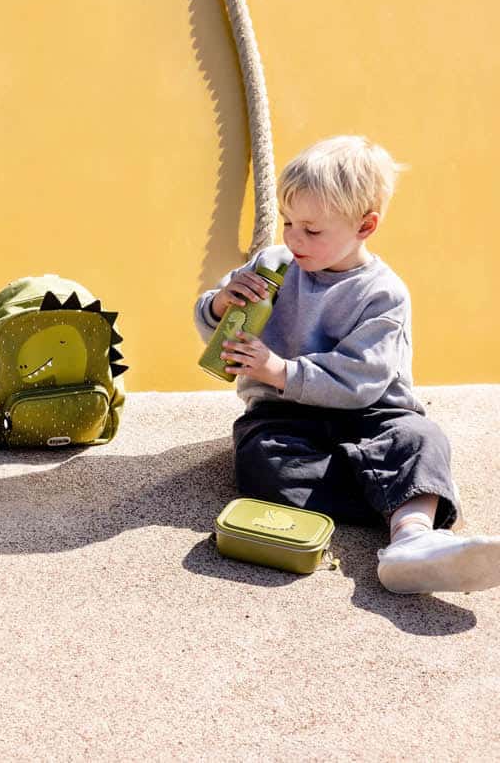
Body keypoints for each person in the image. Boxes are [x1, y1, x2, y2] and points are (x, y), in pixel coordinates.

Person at [196, 135, 500, 594]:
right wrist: (221, 303)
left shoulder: (383, 294)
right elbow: (215, 324)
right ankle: (402, 500)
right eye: (288, 222)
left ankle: (413, 540)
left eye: (312, 230)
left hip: (372, 412)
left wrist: (277, 370)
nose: (293, 238)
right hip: (285, 414)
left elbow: (361, 378)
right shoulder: (273, 264)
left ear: (365, 226)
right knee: (260, 462)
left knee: (422, 440)